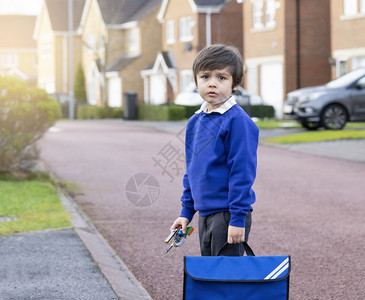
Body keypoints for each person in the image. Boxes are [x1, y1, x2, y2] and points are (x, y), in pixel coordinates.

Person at [170, 44, 259, 256]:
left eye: (221, 78)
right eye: (205, 77)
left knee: (226, 281)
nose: (212, 83)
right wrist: (186, 212)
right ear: (196, 81)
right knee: (211, 279)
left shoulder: (238, 122)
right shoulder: (195, 122)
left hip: (228, 214)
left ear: (235, 83)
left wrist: (238, 218)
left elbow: (242, 172)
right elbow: (192, 170)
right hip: (205, 214)